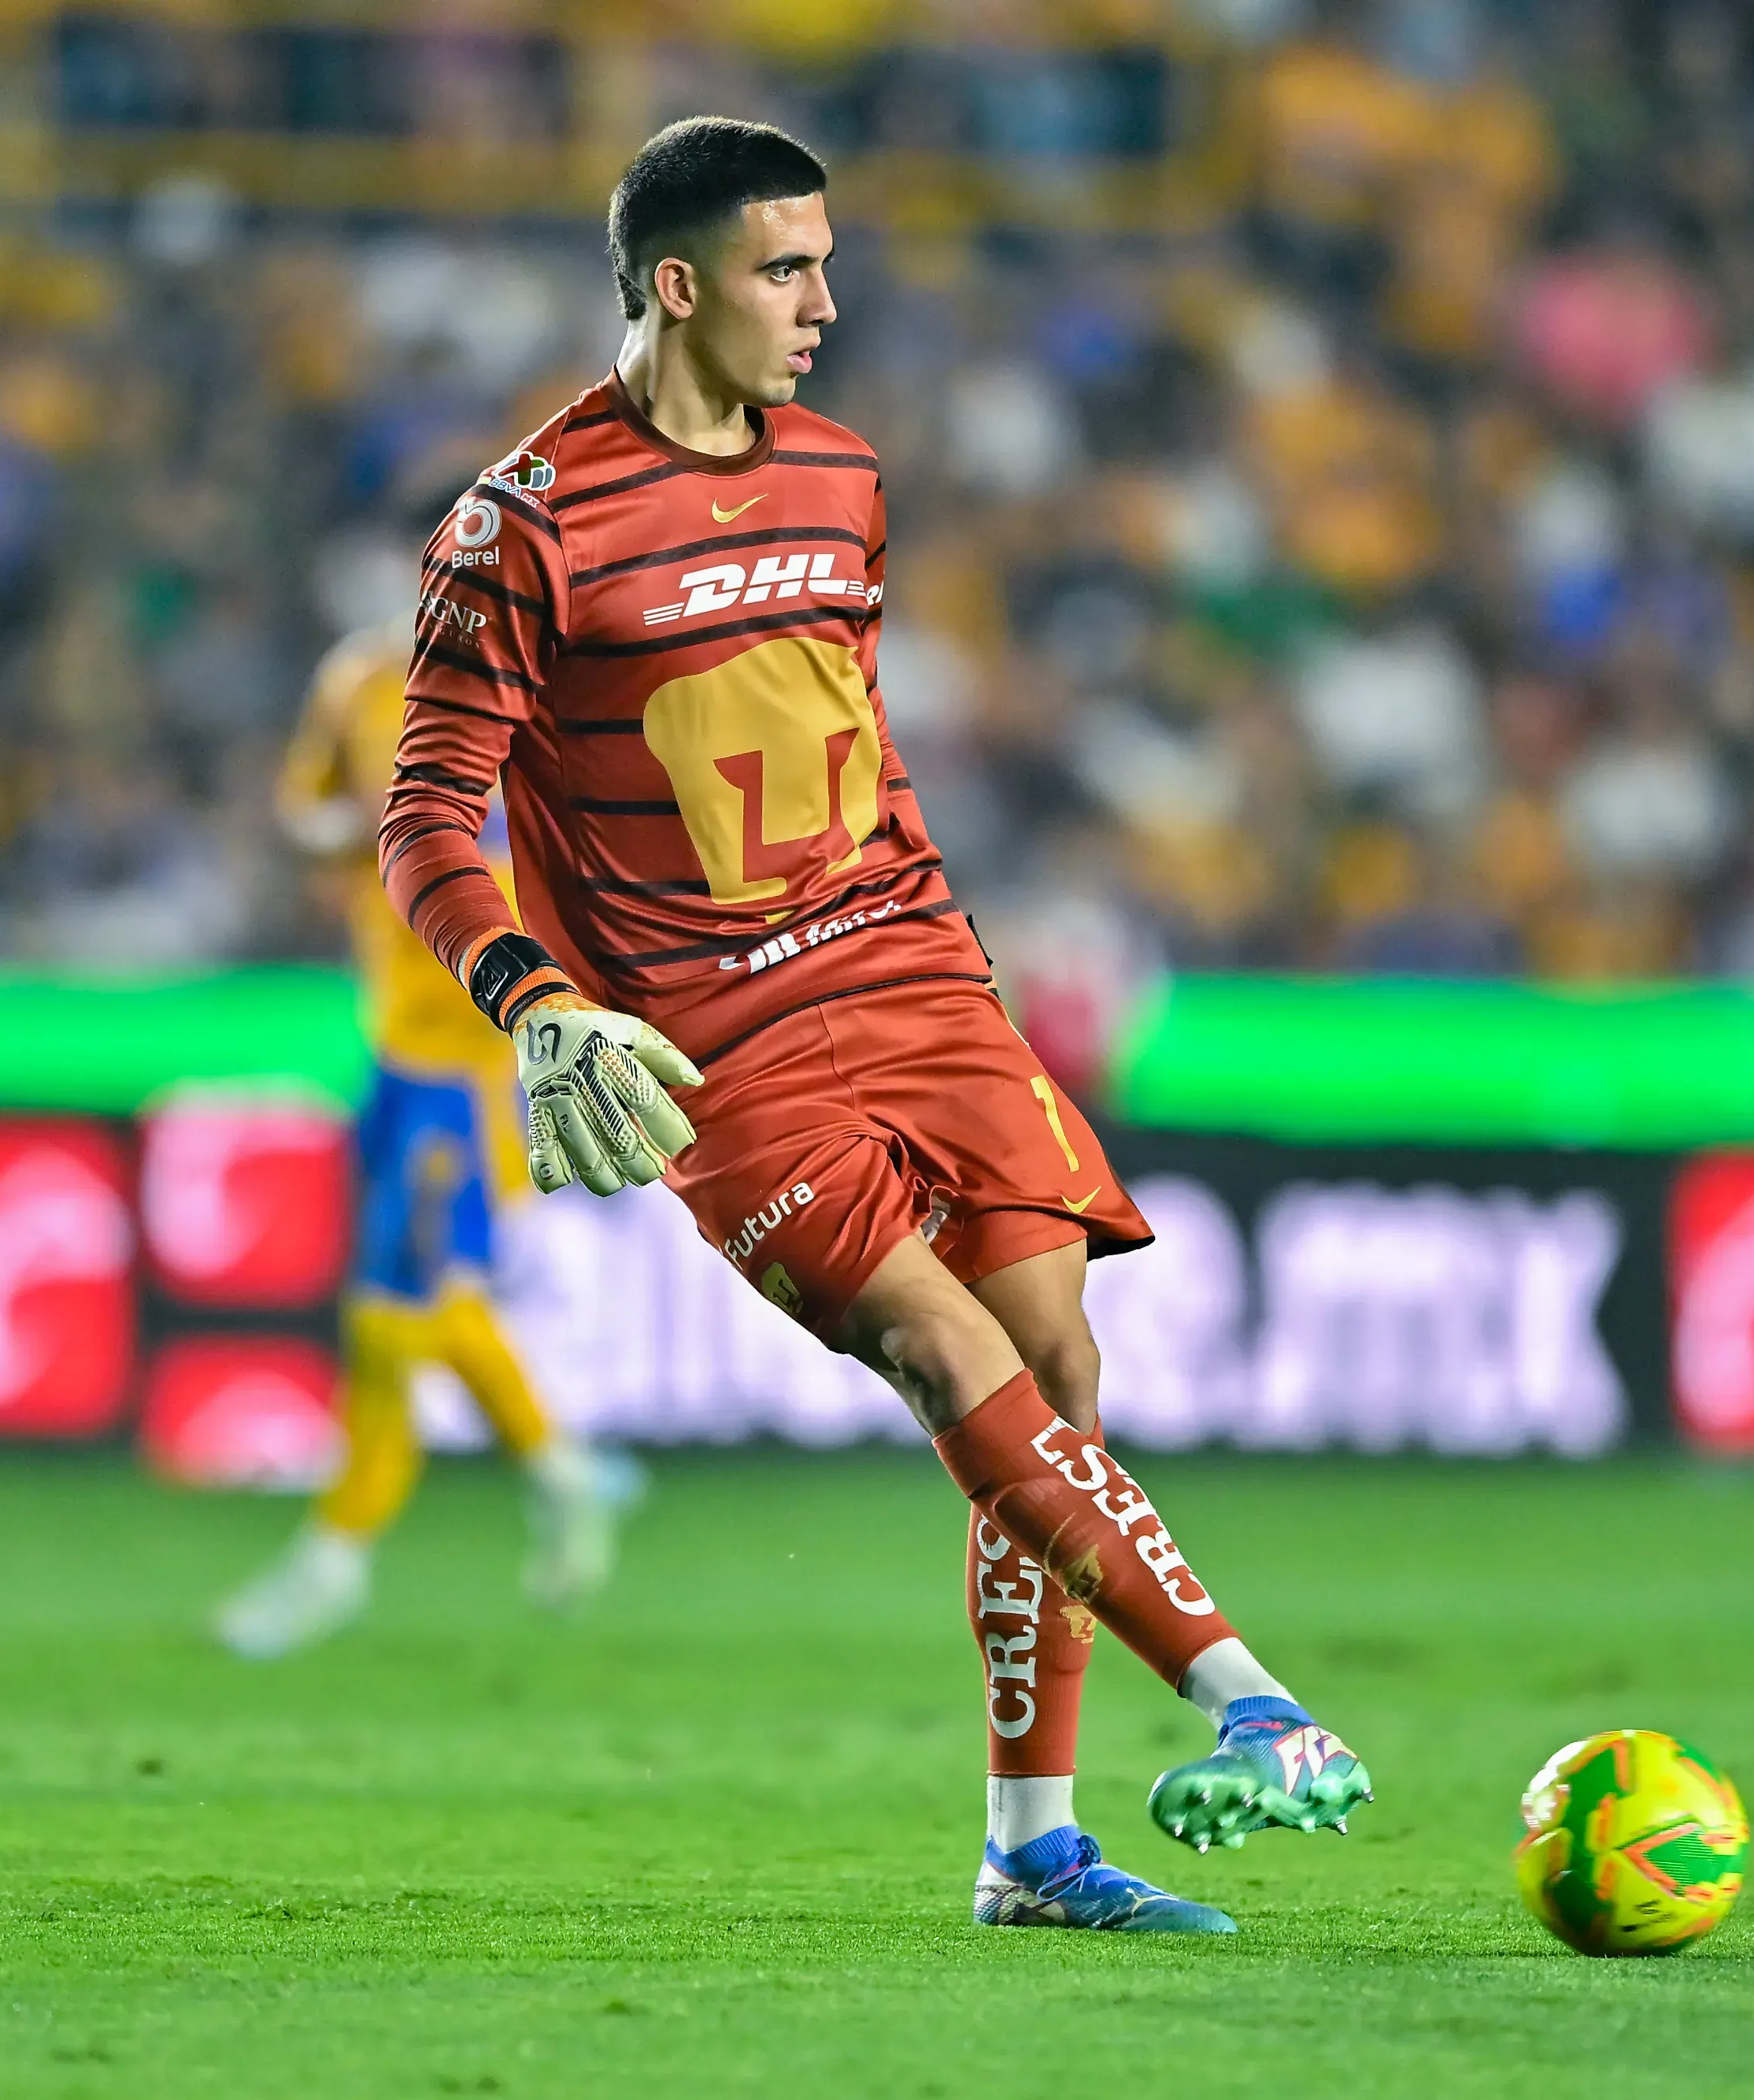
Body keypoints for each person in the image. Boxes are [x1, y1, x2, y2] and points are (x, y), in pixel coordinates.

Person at [372, 117, 1372, 1934]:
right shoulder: (520, 527)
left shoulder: (840, 476)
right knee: (935, 1349)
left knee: (1055, 1374)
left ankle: (1032, 1847)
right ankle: (1253, 1698)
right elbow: (429, 809)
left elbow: (844, 716)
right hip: (716, 1040)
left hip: (909, 970)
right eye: (786, 269)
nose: (827, 301)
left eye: (826, 262)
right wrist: (533, 1004)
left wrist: (947, 946)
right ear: (675, 288)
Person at [213, 608, 644, 1660]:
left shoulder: (546, 694)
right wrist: (356, 830)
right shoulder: (357, 680)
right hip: (396, 1042)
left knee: (394, 1314)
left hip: (479, 1052)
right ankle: (551, 1475)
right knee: (412, 1312)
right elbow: (305, 814)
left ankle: (345, 1551)